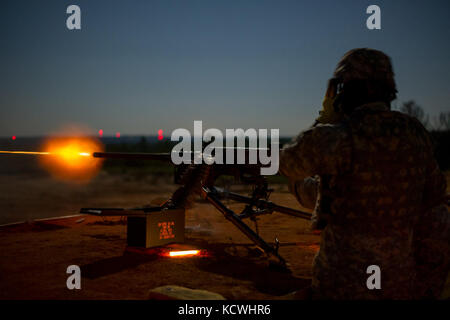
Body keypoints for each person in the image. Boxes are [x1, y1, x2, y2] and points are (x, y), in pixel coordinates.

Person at [279, 48, 449, 299]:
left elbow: (288, 163)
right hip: (398, 287)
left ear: (345, 89)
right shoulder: (414, 134)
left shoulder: (338, 138)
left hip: (339, 287)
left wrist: (324, 119)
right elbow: (435, 211)